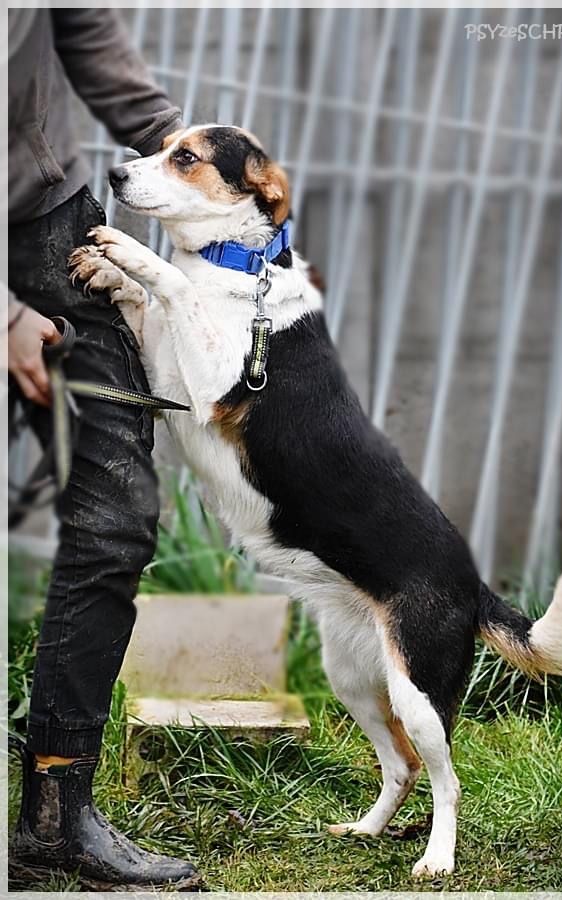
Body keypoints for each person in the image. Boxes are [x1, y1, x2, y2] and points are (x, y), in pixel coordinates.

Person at [6, 9, 201, 890]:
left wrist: (183, 157)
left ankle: (56, 815)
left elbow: (80, 26)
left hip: (48, 224)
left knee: (117, 518)